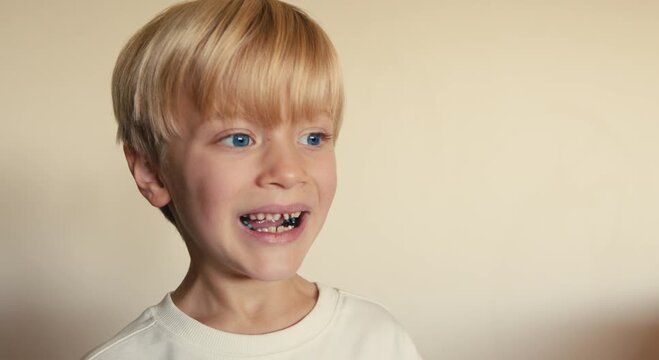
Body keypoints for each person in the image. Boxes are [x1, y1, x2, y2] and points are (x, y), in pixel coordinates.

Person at [83, 0, 421, 359]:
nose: (289, 171)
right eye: (239, 139)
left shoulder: (378, 342)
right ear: (152, 171)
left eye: (313, 138)